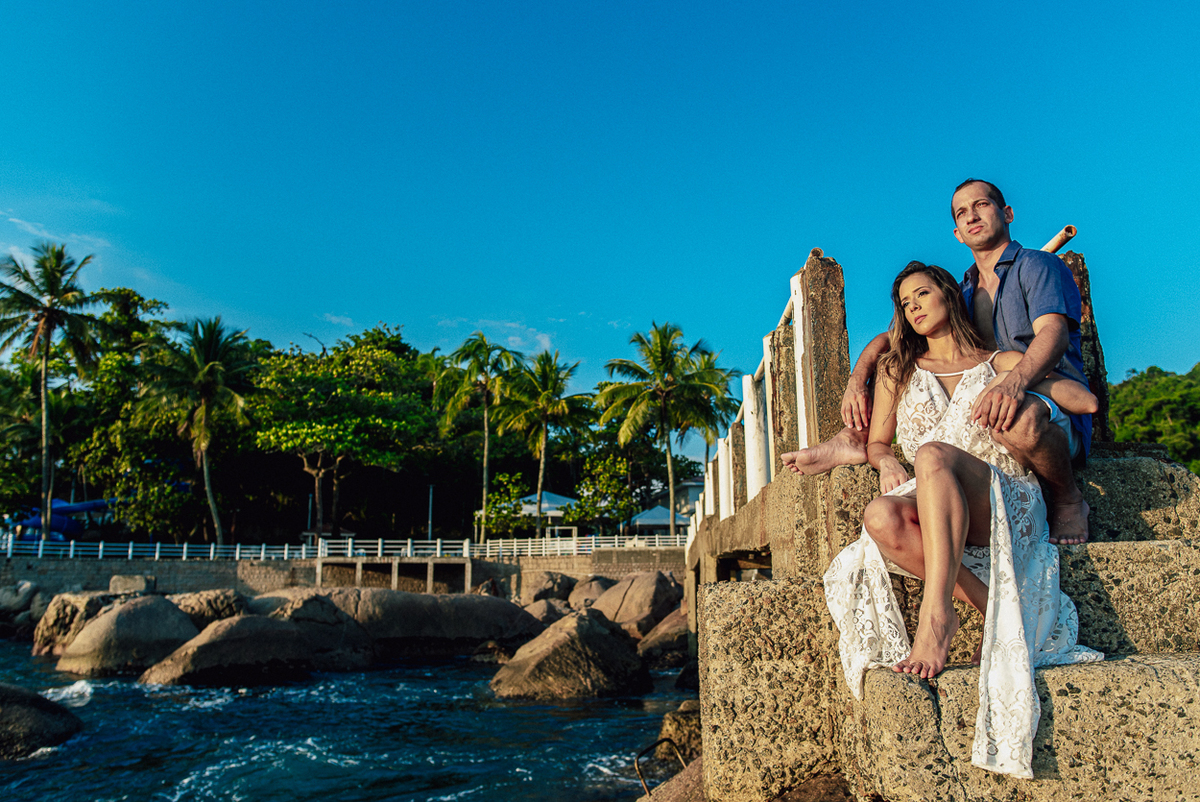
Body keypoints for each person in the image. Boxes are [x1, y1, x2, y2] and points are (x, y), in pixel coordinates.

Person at [822, 261, 1103, 779]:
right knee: (879, 516)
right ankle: (990, 602)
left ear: (949, 295)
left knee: (932, 454)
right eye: (905, 304)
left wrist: (1027, 390)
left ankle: (937, 619)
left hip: (1000, 496)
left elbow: (1083, 400)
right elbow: (880, 441)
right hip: (934, 500)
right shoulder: (899, 371)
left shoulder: (998, 361)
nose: (914, 307)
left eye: (922, 294)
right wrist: (882, 459)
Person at [783, 179, 1094, 545]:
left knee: (1013, 416)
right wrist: (859, 375)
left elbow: (1053, 335)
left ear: (1007, 213)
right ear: (957, 234)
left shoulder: (1036, 266)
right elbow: (903, 336)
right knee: (917, 379)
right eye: (962, 213)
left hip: (1044, 399)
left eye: (981, 205)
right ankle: (856, 437)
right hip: (990, 397)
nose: (972, 216)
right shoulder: (964, 289)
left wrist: (1012, 381)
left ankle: (1069, 499)